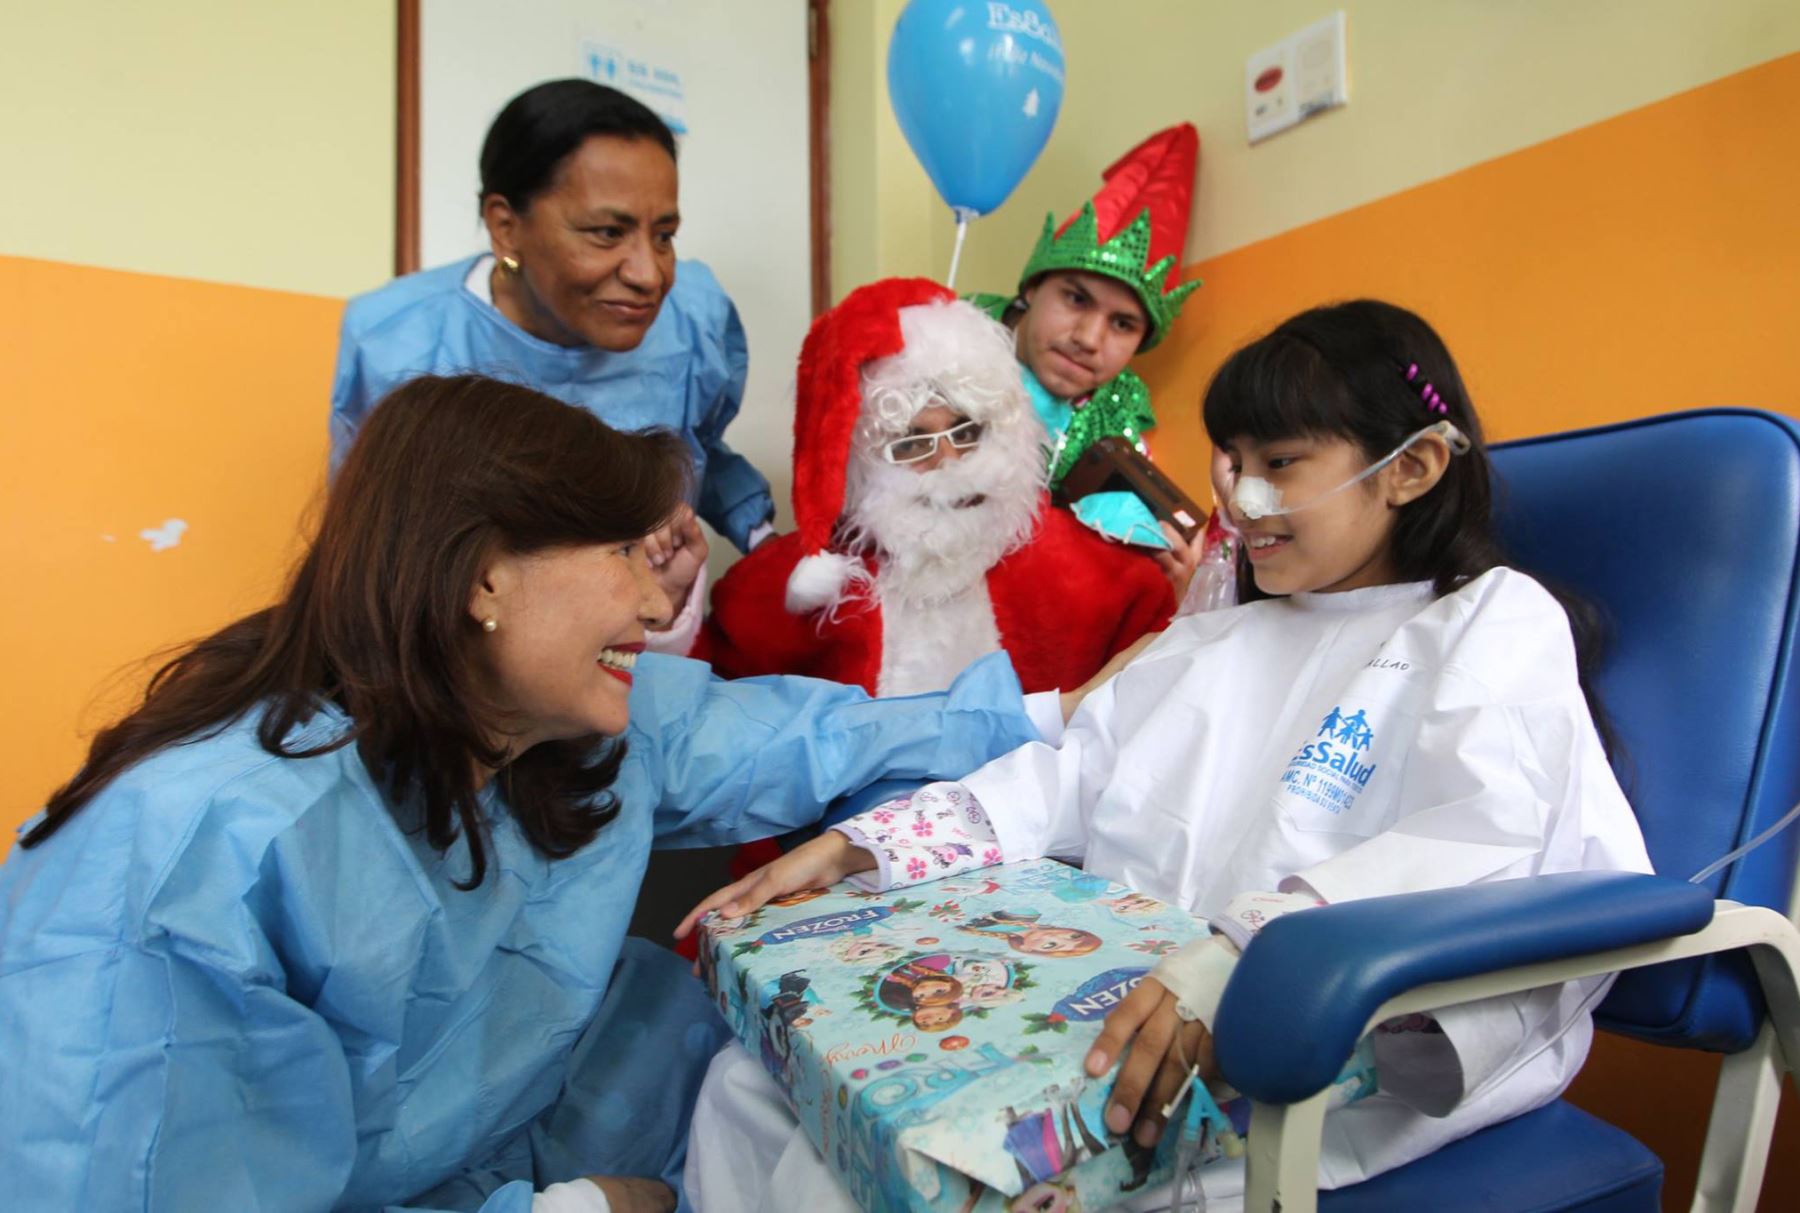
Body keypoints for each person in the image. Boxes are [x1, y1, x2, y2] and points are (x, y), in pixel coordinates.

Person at [0, 375, 1086, 1213]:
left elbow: (824, 742)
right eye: (621, 550)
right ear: (483, 576)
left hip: (571, 1128)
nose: (657, 597)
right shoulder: (193, 856)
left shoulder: (578, 722)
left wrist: (1077, 715)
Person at [679, 301, 1653, 1212]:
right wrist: (867, 845)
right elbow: (1067, 773)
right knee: (745, 1079)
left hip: (1307, 1077)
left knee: (846, 1170)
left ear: (1413, 467)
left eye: (1280, 461)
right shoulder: (1217, 638)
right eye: (1229, 462)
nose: (1239, 499)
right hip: (1118, 1006)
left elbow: (1491, 840)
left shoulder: (1485, 622)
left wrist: (1251, 960)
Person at [330, 79, 776, 649]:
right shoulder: (397, 345)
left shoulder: (694, 317)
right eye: (607, 233)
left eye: (664, 235)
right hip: (463, 680)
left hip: (652, 646)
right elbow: (372, 561)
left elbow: (703, 447)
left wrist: (764, 538)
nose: (649, 274)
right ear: (505, 226)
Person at [695, 277, 1174, 699]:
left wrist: (1192, 589)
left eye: (966, 432)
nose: (949, 463)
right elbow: (711, 715)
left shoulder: (1089, 571)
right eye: (911, 442)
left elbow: (1158, 673)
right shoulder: (774, 594)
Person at [972, 124, 1206, 581]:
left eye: (1122, 324)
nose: (1089, 338)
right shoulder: (952, 343)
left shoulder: (1117, 409)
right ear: (1033, 288)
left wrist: (1170, 578)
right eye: (1076, 299)